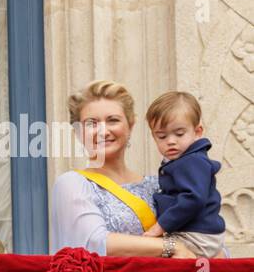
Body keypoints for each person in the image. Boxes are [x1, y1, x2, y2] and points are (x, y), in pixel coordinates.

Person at [51, 80, 195, 259]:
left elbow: (199, 234)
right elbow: (93, 243)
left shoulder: (159, 184)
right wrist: (170, 246)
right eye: (91, 123)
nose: (103, 131)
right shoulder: (72, 184)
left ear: (130, 125)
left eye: (113, 120)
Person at [141, 91, 226, 259]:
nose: (171, 141)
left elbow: (193, 198)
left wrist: (160, 227)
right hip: (198, 233)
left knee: (150, 253)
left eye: (179, 134)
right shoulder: (182, 160)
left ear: (198, 131)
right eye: (162, 136)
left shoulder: (191, 161)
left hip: (197, 235)